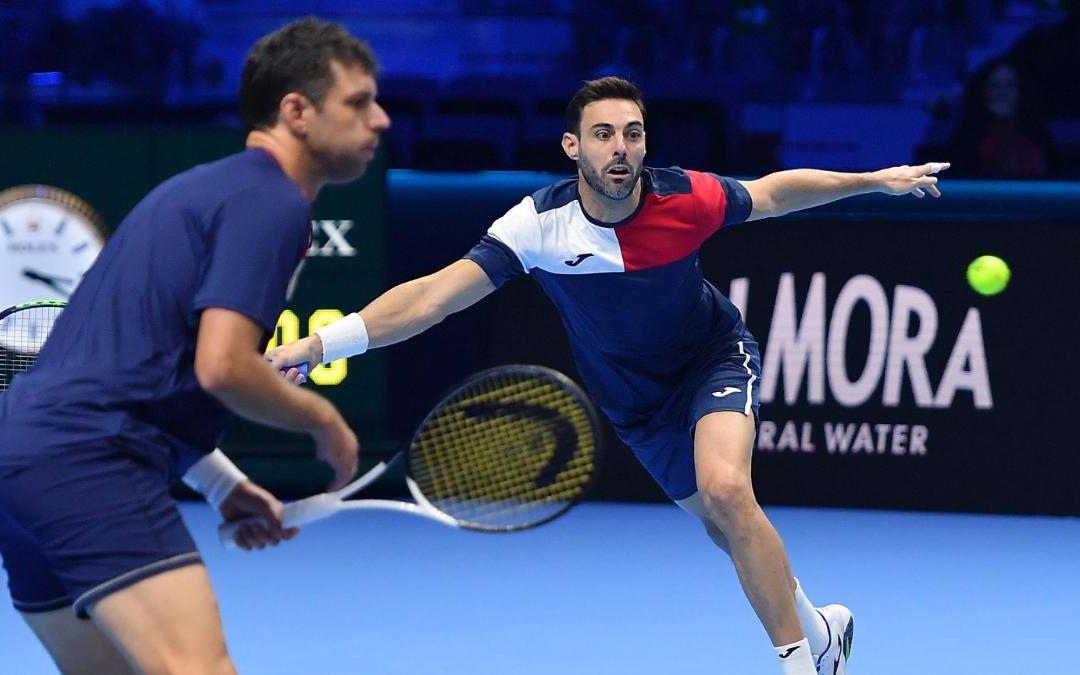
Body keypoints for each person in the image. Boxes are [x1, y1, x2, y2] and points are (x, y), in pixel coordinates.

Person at [270, 77, 948, 675]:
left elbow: (772, 193)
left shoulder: (687, 199)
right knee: (723, 527)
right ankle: (821, 632)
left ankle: (802, 667)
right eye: (603, 135)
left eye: (632, 133)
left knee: (727, 490)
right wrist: (321, 344)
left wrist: (872, 179)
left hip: (710, 357)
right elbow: (430, 298)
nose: (620, 148)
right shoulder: (536, 227)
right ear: (573, 148)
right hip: (636, 406)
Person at [0, 17, 389, 674]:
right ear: (296, 112)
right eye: (359, 102)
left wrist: (223, 484)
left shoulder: (202, 187)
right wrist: (324, 418)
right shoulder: (271, 203)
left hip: (8, 458)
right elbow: (222, 367)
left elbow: (143, 373)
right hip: (89, 462)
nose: (381, 120)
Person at [948, 59, 1054, 179]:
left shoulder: (1038, 137)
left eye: (1010, 85)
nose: (1002, 92)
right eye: (995, 85)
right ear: (983, 92)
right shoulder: (966, 140)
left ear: (1021, 92)